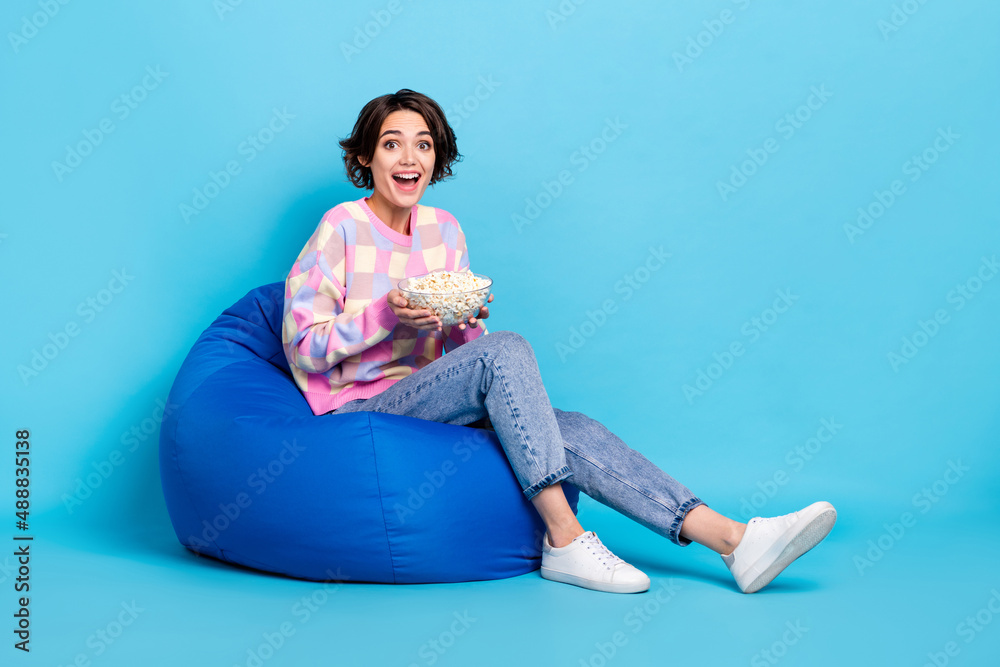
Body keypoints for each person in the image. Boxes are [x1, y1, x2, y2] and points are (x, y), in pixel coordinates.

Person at [281, 88, 837, 594]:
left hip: (432, 397)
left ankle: (735, 541)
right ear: (364, 158)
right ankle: (565, 538)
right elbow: (302, 346)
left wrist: (463, 318)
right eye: (391, 144)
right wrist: (386, 315)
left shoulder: (443, 230)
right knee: (507, 352)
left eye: (423, 145)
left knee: (563, 426)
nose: (409, 158)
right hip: (361, 411)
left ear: (437, 157)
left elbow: (465, 350)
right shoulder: (342, 227)